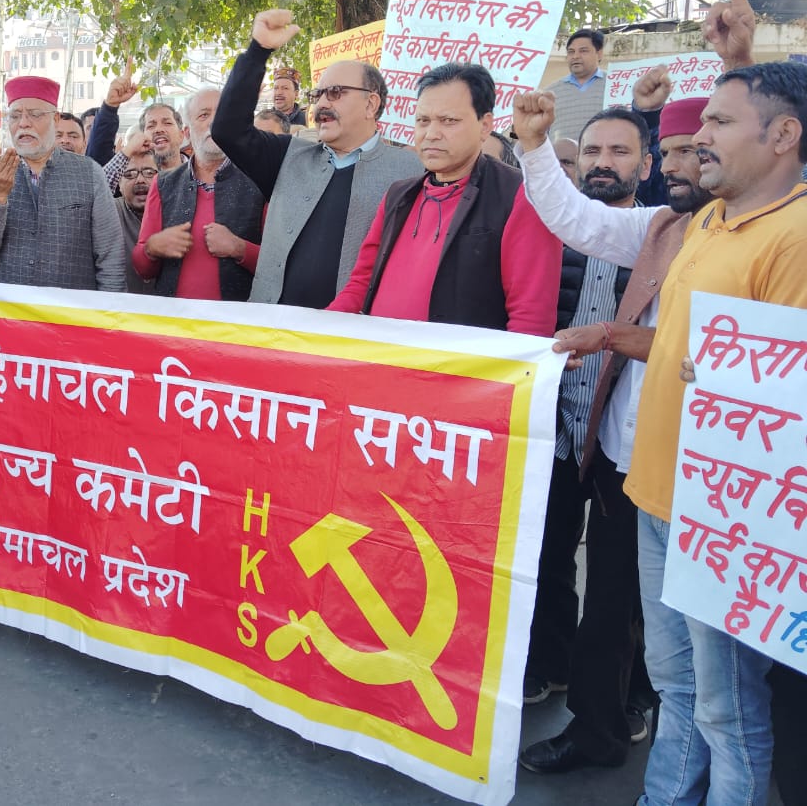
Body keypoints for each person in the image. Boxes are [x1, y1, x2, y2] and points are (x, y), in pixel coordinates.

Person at [518, 59, 807, 805]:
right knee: (677, 682)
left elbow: (779, 393)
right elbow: (680, 339)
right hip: (655, 491)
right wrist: (616, 335)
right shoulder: (703, 220)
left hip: (726, 515)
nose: (696, 139)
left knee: (727, 702)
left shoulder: (798, 235)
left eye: (716, 123)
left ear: (783, 135)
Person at [516, 105, 661, 773]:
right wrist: (536, 142)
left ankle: (624, 703)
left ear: (648, 165)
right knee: (544, 557)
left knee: (622, 588)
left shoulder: (664, 232)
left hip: (627, 437)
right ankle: (551, 666)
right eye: (593, 150)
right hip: (559, 416)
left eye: (620, 151)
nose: (603, 162)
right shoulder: (563, 227)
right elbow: (567, 216)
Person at [327, 62, 561, 336]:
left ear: (485, 125)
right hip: (383, 365)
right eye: (423, 121)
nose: (431, 134)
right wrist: (313, 330)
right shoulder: (398, 195)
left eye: (448, 121)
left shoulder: (521, 195)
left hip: (461, 372)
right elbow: (360, 283)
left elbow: (531, 319)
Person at [212, 9, 421, 309]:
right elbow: (228, 130)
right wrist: (258, 51)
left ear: (371, 104)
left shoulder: (409, 172)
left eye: (336, 93)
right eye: (318, 94)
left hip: (354, 340)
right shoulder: (288, 156)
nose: (322, 103)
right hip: (274, 334)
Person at [0, 75, 124, 291]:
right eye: (15, 116)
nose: (24, 123)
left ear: (55, 119)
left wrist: (109, 316)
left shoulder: (89, 172)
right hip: (4, 316)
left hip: (70, 314)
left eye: (35, 115)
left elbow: (110, 255)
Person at [133, 88, 263, 300]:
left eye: (221, 114)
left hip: (239, 326)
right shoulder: (164, 183)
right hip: (175, 324)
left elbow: (279, 266)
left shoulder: (259, 180)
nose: (214, 122)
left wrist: (239, 249)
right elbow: (142, 267)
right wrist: (153, 247)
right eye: (204, 115)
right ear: (186, 132)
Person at [108, 132, 157, 295]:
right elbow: (92, 194)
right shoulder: (109, 212)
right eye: (129, 174)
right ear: (118, 184)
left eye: (150, 172)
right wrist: (125, 152)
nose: (140, 180)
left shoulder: (176, 209)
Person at [546, 29, 606, 143]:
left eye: (583, 51)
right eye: (571, 52)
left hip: (603, 159)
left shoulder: (614, 86)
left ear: (599, 54)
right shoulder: (550, 93)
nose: (576, 56)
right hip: (560, 160)